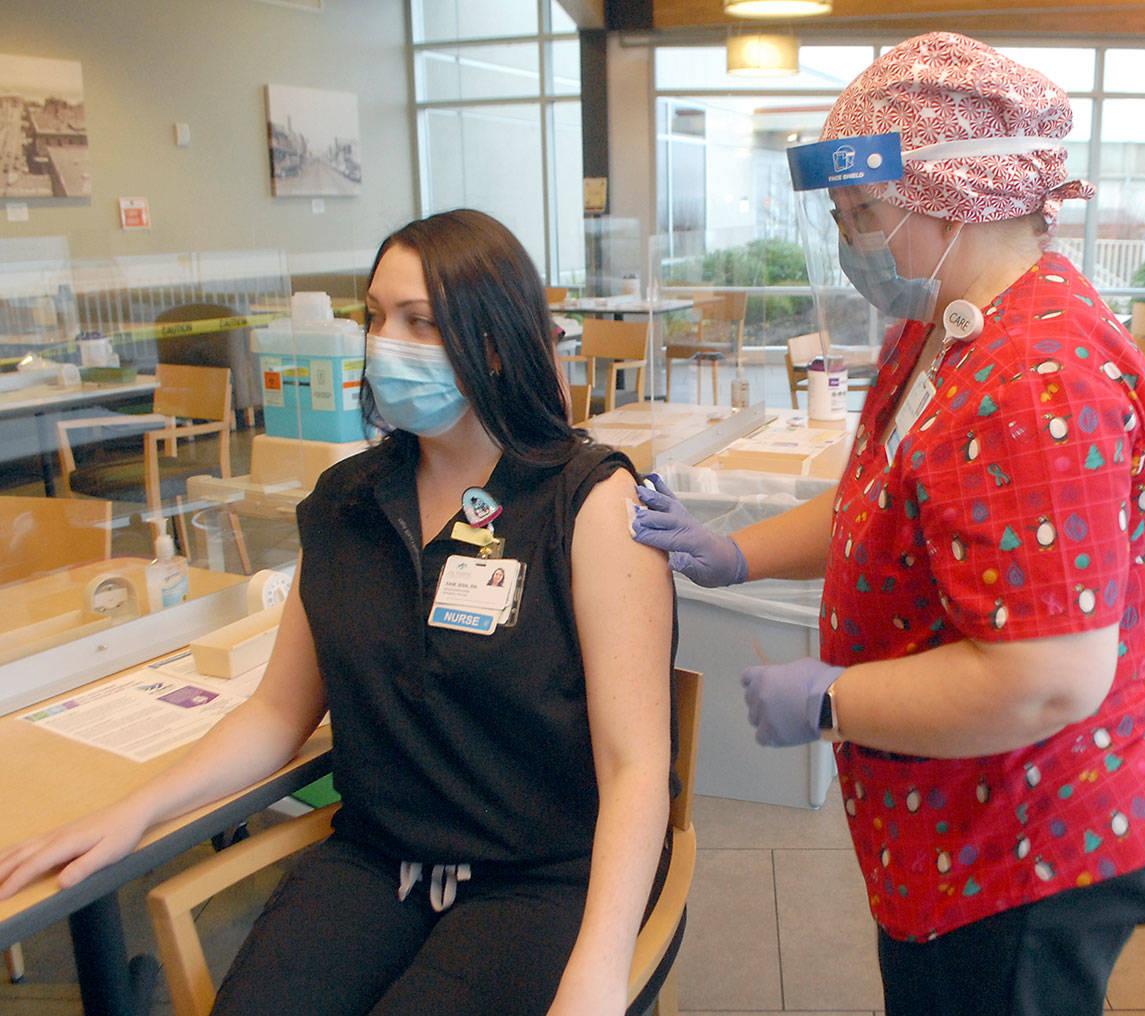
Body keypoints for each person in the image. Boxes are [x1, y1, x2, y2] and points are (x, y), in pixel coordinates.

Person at [632, 33, 1145, 1016]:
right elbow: (875, 501)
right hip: (959, 806)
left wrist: (831, 698)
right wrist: (734, 552)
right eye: (842, 217)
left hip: (1030, 832)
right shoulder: (939, 328)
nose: (853, 243)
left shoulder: (1036, 382)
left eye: (866, 214)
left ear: (959, 195)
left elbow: (1040, 682)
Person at [0, 209, 676, 1016]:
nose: (384, 343)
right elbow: (279, 712)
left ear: (494, 343)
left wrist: (597, 973)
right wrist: (131, 811)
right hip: (379, 859)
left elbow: (635, 768)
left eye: (420, 322)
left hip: (541, 873)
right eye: (376, 317)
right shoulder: (346, 503)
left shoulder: (587, 502)